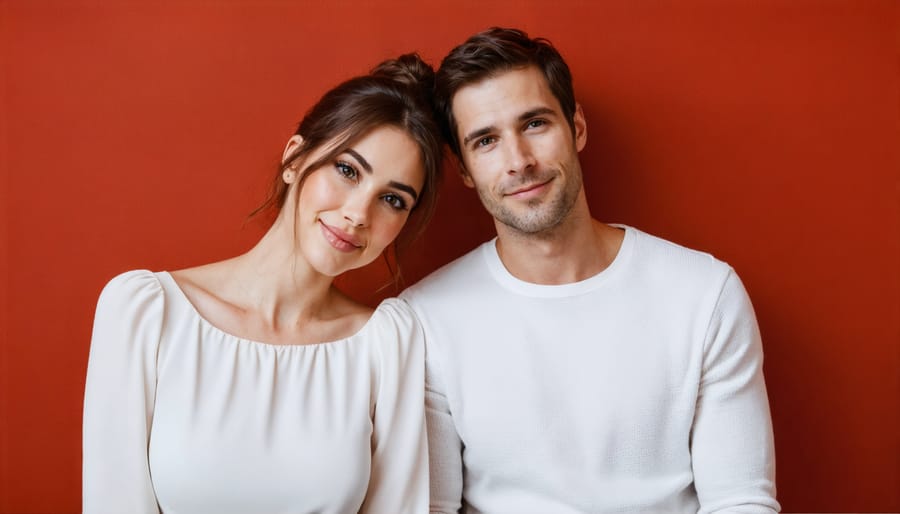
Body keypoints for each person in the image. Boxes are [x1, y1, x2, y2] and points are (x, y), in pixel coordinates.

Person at [401, 28, 780, 513]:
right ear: (465, 169)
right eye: (486, 140)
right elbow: (433, 507)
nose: (518, 161)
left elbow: (741, 501)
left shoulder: (705, 295)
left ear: (576, 127)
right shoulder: (427, 319)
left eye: (535, 124)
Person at [82, 54, 442, 514]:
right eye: (347, 170)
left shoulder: (386, 345)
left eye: (392, 199)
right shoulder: (147, 313)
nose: (358, 213)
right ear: (294, 158)